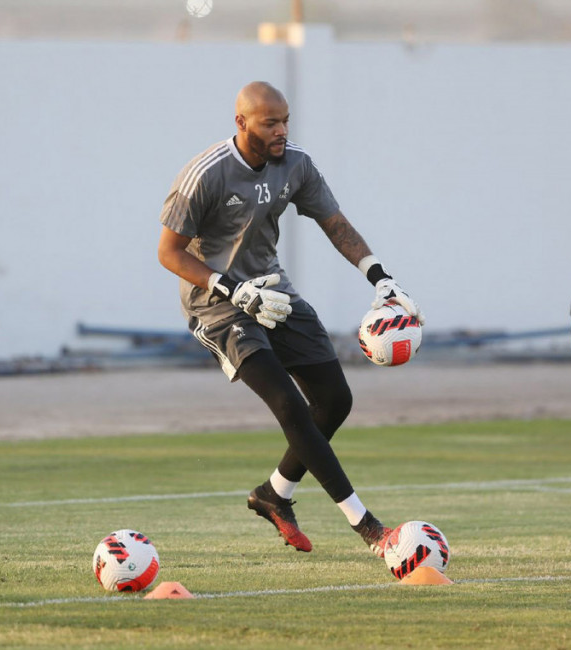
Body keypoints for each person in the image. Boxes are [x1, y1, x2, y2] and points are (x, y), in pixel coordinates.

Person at [157, 81, 424, 556]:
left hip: (273, 292)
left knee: (334, 401)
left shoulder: (296, 163)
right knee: (289, 404)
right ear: (241, 123)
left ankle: (273, 495)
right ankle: (367, 527)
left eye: (285, 121)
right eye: (270, 123)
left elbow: (335, 223)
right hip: (217, 305)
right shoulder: (205, 174)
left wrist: (380, 278)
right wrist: (229, 287)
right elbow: (169, 252)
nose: (281, 131)